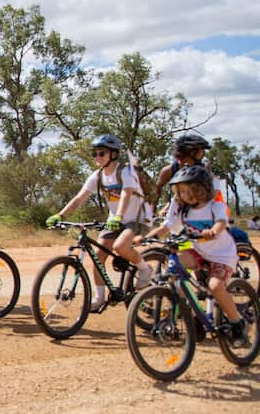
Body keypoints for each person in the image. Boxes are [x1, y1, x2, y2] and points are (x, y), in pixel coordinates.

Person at [137, 165, 249, 347]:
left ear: (200, 189)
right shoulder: (182, 209)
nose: (182, 195)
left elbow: (221, 222)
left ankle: (237, 323)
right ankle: (191, 314)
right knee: (174, 267)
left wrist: (212, 231)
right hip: (198, 251)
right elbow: (167, 227)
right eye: (179, 191)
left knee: (215, 286)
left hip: (222, 255)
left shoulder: (215, 206)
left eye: (186, 190)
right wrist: (145, 238)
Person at [46, 135, 153, 311]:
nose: (97, 157)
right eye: (94, 154)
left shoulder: (125, 172)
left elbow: (126, 194)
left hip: (136, 219)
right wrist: (60, 215)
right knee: (97, 256)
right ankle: (99, 298)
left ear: (113, 154)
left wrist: (118, 216)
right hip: (115, 221)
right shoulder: (97, 176)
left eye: (101, 153)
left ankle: (144, 268)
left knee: (120, 247)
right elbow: (79, 198)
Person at [150, 133, 225, 214]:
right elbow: (155, 192)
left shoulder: (204, 170)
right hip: (177, 211)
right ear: (192, 152)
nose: (203, 154)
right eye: (201, 150)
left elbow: (211, 195)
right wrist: (151, 214)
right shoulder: (168, 170)